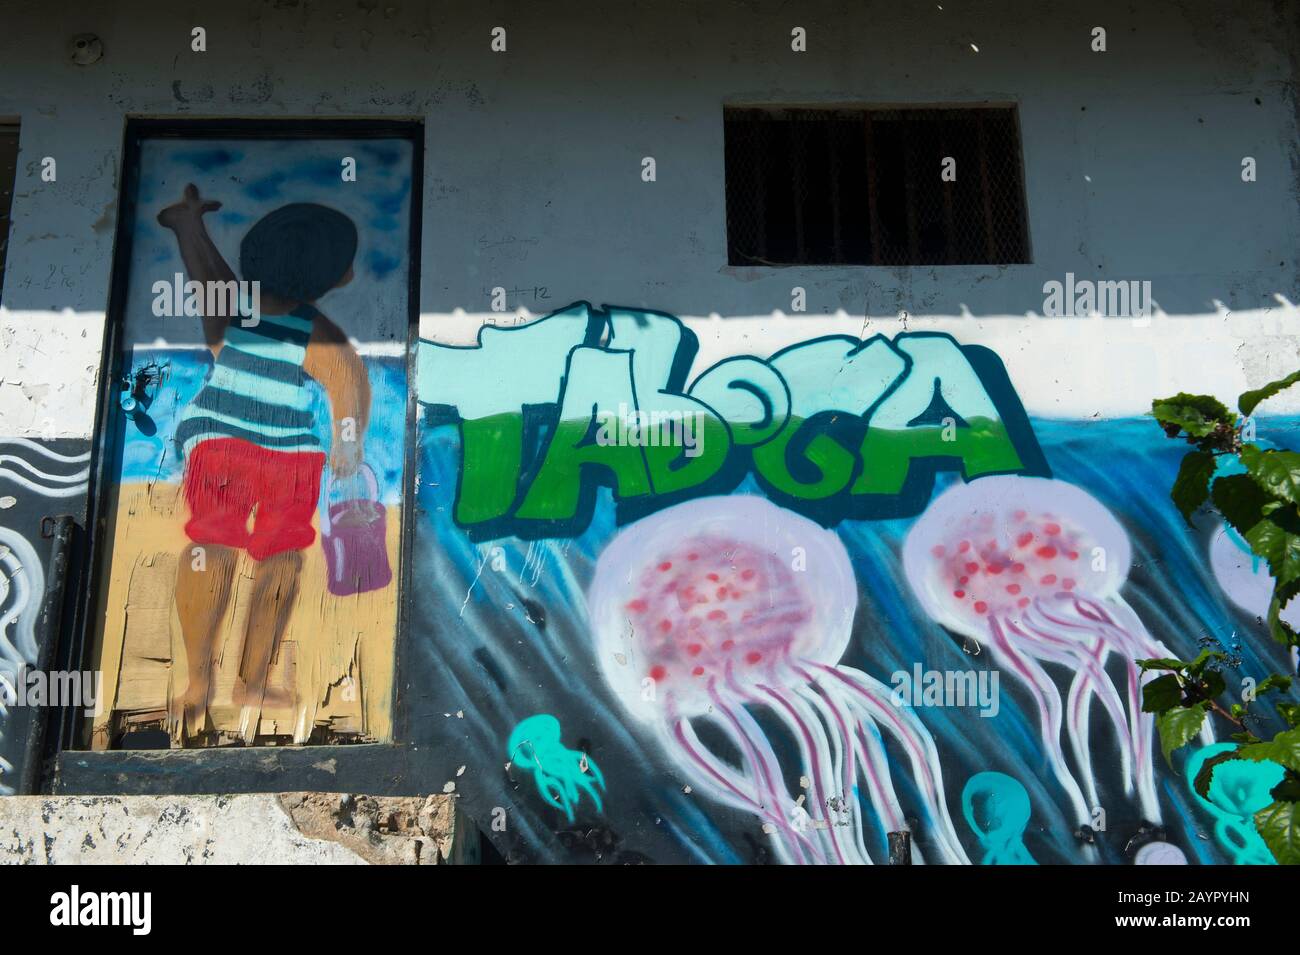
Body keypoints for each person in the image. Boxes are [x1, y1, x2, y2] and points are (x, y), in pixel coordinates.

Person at [156, 184, 370, 739]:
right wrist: (348, 444)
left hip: (220, 444)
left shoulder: (235, 302)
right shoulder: (314, 328)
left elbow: (206, 273)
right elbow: (347, 383)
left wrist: (188, 226)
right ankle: (250, 681)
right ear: (334, 275)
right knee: (282, 559)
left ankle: (199, 681)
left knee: (211, 547)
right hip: (288, 457)